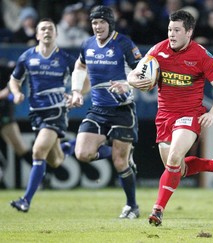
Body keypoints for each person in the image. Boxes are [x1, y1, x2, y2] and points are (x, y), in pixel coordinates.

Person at [127, 9, 213, 227]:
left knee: (175, 157)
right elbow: (134, 73)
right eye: (169, 29)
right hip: (164, 116)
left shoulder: (202, 56)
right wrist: (133, 81)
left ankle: (157, 210)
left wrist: (212, 113)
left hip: (189, 115)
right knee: (178, 169)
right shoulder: (158, 50)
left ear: (189, 32)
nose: (172, 34)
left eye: (177, 30)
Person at [70, 5, 142, 219]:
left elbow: (143, 73)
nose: (97, 26)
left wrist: (126, 85)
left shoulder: (124, 43)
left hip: (122, 110)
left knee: (120, 163)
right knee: (82, 153)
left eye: (101, 22)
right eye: (94, 22)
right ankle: (125, 154)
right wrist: (76, 92)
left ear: (110, 23)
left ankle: (132, 206)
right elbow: (80, 66)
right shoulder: (88, 44)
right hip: (98, 110)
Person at [8, 18, 77, 213]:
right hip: (36, 112)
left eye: (50, 29)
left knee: (38, 151)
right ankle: (71, 146)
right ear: (37, 35)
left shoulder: (64, 58)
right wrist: (17, 93)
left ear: (56, 34)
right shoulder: (27, 57)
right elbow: (14, 80)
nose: (47, 31)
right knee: (55, 160)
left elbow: (84, 76)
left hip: (56, 110)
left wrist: (76, 94)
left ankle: (25, 200)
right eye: (43, 29)